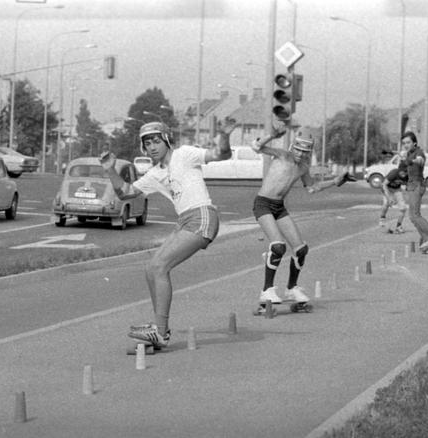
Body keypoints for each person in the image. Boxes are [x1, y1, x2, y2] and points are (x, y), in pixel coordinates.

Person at [99, 119, 236, 348]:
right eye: (147, 143)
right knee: (150, 269)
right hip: (184, 220)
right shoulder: (156, 173)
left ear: (166, 140)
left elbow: (221, 155)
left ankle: (161, 333)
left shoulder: (184, 154)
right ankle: (160, 330)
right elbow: (125, 192)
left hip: (202, 216)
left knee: (159, 267)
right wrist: (110, 170)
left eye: (156, 141)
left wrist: (224, 135)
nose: (152, 147)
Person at [250, 126, 356, 308]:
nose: (300, 154)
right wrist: (272, 135)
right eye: (298, 149)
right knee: (278, 247)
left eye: (305, 151)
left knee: (300, 249)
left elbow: (312, 187)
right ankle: (266, 290)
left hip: (279, 207)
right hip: (263, 204)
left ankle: (292, 288)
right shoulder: (282, 155)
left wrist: (336, 181)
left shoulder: (303, 167)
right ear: (292, 146)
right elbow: (256, 147)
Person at [401, 131, 428, 253]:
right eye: (404, 143)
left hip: (417, 186)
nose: (406, 145)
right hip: (411, 186)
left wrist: (412, 160)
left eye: (408, 142)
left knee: (415, 215)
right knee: (413, 216)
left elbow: (420, 160)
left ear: (414, 143)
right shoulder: (409, 154)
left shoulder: (418, 152)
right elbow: (405, 169)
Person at [379, 155, 408, 233]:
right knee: (386, 203)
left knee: (403, 208)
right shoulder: (394, 173)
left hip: (397, 189)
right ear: (399, 170)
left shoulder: (407, 176)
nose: (404, 174)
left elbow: (409, 185)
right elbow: (383, 185)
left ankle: (398, 226)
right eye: (403, 172)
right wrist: (390, 198)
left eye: (406, 172)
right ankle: (382, 218)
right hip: (387, 188)